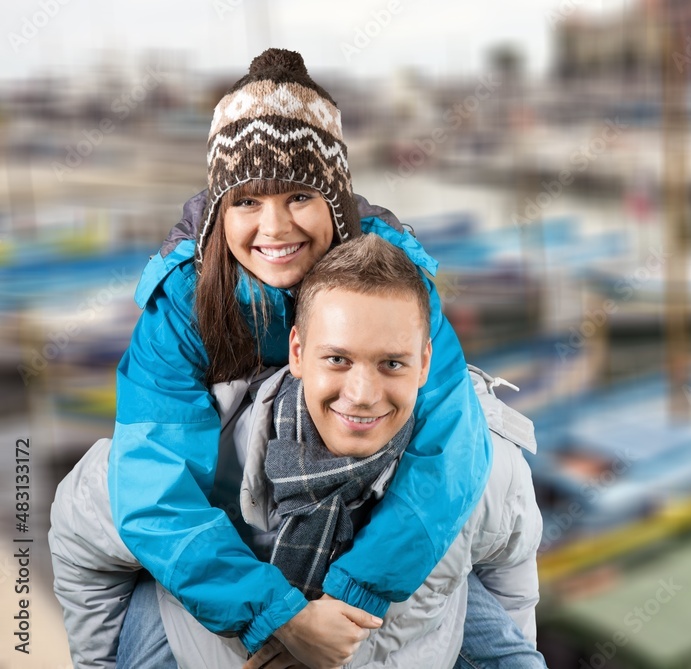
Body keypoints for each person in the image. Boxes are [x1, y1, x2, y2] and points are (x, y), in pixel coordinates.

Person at [49, 48, 497, 668]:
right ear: (222, 209)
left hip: (366, 544)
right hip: (238, 547)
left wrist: (350, 597)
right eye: (247, 201)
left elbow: (450, 451)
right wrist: (276, 615)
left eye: (299, 197)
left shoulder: (395, 284)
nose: (275, 227)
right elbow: (154, 485)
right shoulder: (183, 301)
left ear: (336, 202)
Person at [149, 234, 543, 667]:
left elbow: (511, 580)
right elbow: (83, 540)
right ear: (297, 352)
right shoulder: (201, 456)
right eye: (338, 359)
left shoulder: (491, 468)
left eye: (391, 363)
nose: (361, 395)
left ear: (425, 363)